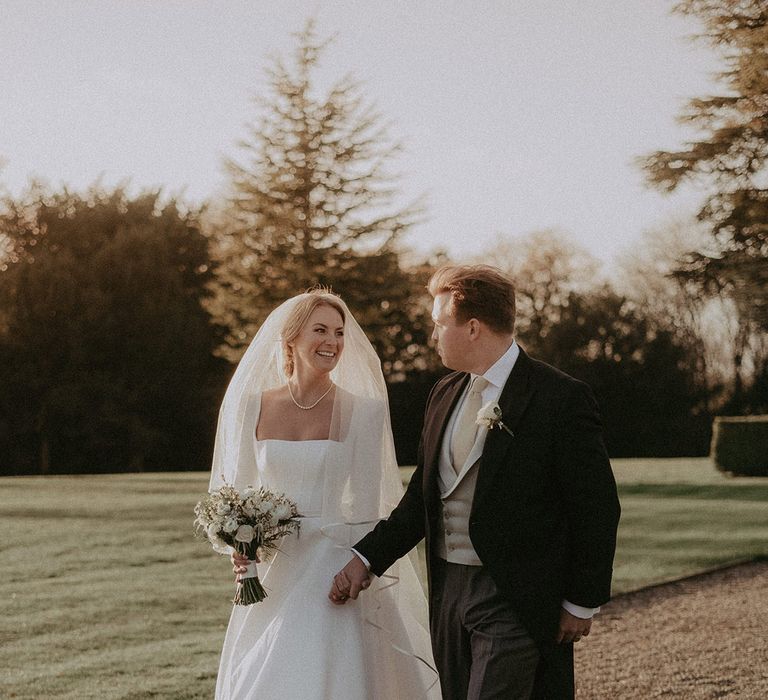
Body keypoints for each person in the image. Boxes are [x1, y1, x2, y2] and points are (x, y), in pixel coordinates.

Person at [330, 265, 621, 700]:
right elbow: (422, 501)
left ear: (471, 327)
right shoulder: (444, 394)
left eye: (438, 324)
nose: (433, 335)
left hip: (516, 594)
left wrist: (582, 600)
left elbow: (596, 505)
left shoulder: (559, 397)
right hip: (449, 589)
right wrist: (366, 559)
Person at [210, 290, 440, 700]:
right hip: (273, 571)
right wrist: (239, 546)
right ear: (291, 338)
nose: (331, 341)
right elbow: (237, 493)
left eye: (338, 332)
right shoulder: (251, 407)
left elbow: (370, 506)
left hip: (333, 567)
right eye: (319, 330)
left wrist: (360, 567)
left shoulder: (363, 412)